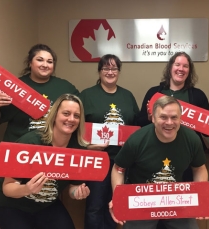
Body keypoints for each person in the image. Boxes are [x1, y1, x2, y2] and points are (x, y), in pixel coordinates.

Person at [109, 95, 208, 229]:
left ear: (180, 119)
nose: (169, 122)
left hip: (176, 199)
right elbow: (118, 168)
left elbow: (199, 168)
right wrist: (118, 197)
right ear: (153, 119)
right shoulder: (137, 140)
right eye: (163, 117)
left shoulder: (192, 139)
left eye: (174, 117)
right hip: (141, 200)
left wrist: (201, 195)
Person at [0, 94, 90, 229]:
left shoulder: (78, 148)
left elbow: (73, 188)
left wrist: (77, 192)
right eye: (66, 113)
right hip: (13, 205)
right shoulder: (31, 142)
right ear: (55, 115)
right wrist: (27, 189)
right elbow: (7, 188)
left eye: (76, 116)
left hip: (46, 204)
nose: (71, 119)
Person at [80, 54, 139, 229]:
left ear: (119, 72)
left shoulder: (127, 96)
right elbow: (76, 128)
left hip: (122, 161)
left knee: (114, 204)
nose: (110, 72)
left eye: (114, 68)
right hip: (97, 160)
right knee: (95, 206)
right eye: (106, 68)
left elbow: (135, 125)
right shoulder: (87, 95)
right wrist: (89, 147)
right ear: (99, 71)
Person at [136, 51, 209, 181]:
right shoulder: (154, 93)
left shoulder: (198, 96)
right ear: (170, 67)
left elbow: (208, 132)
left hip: (186, 155)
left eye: (185, 66)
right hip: (156, 151)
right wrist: (150, 117)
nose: (181, 69)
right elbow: (139, 123)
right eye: (177, 64)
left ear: (189, 70)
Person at [0, 43, 79, 142]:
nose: (45, 65)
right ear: (30, 63)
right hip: (18, 144)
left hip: (50, 147)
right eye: (40, 60)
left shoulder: (65, 87)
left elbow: (78, 116)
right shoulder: (14, 86)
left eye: (50, 62)